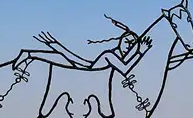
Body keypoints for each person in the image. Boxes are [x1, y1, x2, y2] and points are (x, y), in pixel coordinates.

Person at [13, 16, 151, 75]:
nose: (128, 46)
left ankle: (30, 54)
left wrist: (58, 47)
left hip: (86, 69)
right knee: (63, 58)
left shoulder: (116, 57)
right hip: (85, 71)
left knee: (63, 57)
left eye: (132, 45)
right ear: (120, 41)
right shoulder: (110, 55)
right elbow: (125, 69)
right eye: (127, 42)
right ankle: (30, 54)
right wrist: (141, 52)